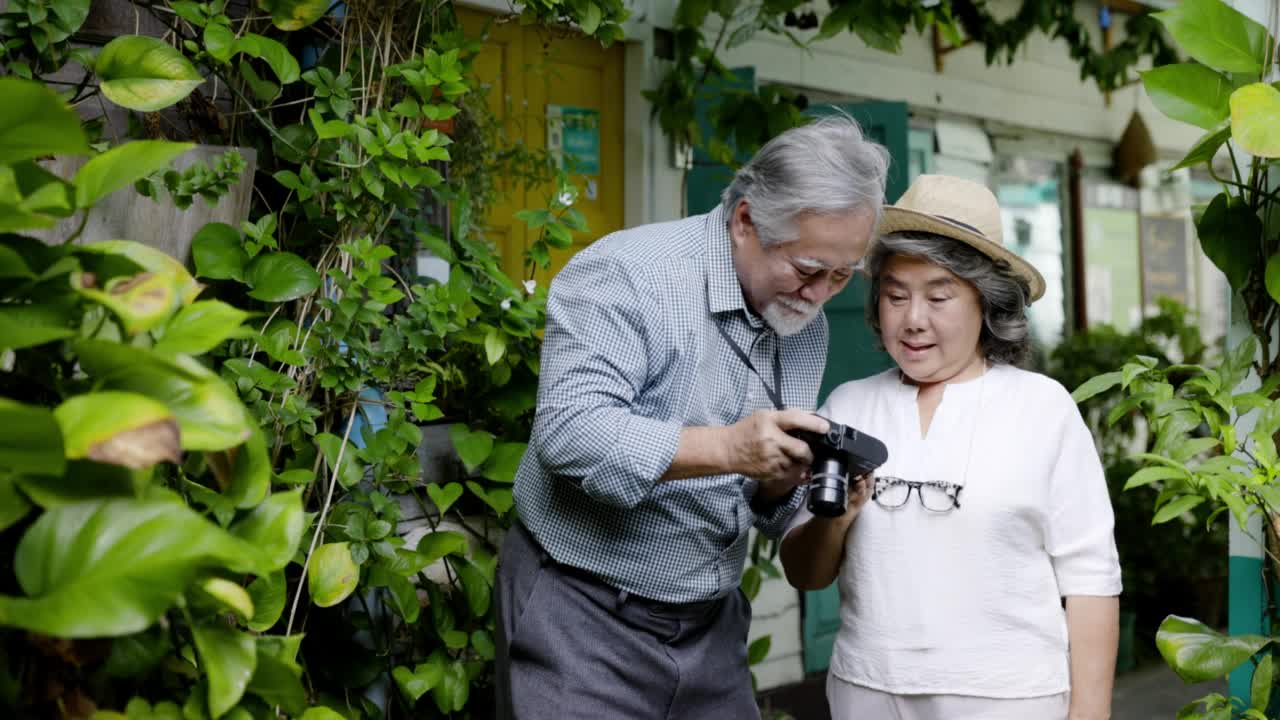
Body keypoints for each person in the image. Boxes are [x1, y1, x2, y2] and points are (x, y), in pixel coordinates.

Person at [493, 115, 890, 719]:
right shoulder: (629, 273)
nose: (820, 296)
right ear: (745, 221)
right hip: (583, 610)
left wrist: (779, 478)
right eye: (809, 270)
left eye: (842, 277)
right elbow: (570, 433)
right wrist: (730, 449)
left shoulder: (799, 321)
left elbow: (766, 502)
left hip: (712, 623)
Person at [780, 174, 1121, 720]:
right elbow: (806, 572)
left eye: (939, 296)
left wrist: (1091, 713)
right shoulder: (847, 406)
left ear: (986, 303)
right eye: (895, 295)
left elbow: (1092, 580)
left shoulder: (1043, 408)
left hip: (1011, 698)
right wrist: (836, 521)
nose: (914, 320)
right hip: (867, 691)